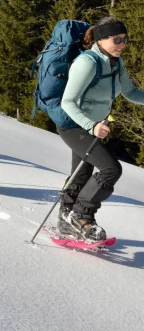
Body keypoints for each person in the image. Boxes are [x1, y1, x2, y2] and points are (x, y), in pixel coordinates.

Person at [59, 17, 144, 241]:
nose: (122, 44)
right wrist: (92, 125)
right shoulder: (87, 62)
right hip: (73, 125)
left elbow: (131, 93)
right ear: (101, 39)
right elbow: (67, 102)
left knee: (82, 173)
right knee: (111, 169)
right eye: (117, 39)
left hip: (92, 127)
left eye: (125, 39)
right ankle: (81, 215)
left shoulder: (116, 62)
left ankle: (66, 217)